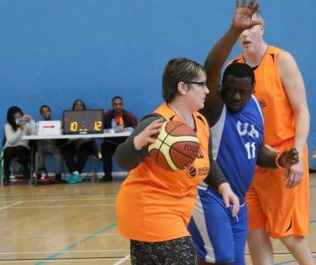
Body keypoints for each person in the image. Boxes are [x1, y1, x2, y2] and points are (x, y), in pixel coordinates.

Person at [187, 2, 298, 264]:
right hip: (209, 193)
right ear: (223, 87)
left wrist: (279, 160)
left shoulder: (256, 110)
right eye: (231, 90)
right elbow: (211, 67)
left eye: (243, 92)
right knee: (220, 258)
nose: (236, 97)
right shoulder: (215, 106)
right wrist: (233, 30)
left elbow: (256, 151)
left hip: (238, 199)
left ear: (252, 90)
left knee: (231, 260)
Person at [114, 57, 239, 264]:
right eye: (202, 85)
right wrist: (137, 142)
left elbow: (206, 162)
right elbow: (122, 160)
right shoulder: (157, 122)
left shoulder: (200, 121)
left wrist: (223, 185)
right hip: (150, 208)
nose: (208, 91)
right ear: (183, 87)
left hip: (176, 211)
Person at [230, 6, 314, 265]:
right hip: (249, 162)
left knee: (287, 234)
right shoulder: (234, 68)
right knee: (254, 232)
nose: (245, 34)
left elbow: (302, 112)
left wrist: (297, 155)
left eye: (251, 27)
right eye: (240, 29)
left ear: (262, 29)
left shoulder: (282, 60)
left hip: (283, 158)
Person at [100, 96, 137, 182]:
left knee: (134, 148)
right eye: (115, 104)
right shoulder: (106, 116)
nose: (118, 106)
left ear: (122, 105)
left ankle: (132, 174)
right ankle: (108, 175)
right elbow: (99, 130)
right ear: (112, 105)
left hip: (125, 142)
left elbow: (136, 131)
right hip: (110, 142)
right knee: (104, 147)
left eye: (120, 104)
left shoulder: (129, 116)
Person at [59, 99, 98, 184]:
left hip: (84, 143)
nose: (78, 107)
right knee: (64, 148)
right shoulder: (67, 118)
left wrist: (81, 139)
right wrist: (62, 125)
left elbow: (91, 136)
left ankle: (75, 174)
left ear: (84, 108)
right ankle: (76, 174)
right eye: (76, 105)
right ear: (73, 108)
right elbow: (62, 132)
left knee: (85, 149)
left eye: (81, 105)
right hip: (71, 143)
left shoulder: (89, 119)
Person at [2, 106, 35, 185]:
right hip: (10, 148)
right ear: (11, 118)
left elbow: (34, 134)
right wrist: (19, 129)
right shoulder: (7, 126)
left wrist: (31, 120)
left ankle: (26, 170)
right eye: (15, 117)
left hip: (23, 148)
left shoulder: (26, 124)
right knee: (7, 151)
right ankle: (6, 176)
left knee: (19, 148)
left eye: (19, 117)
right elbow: (10, 141)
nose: (18, 119)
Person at [35, 105, 64, 183]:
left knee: (59, 156)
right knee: (38, 155)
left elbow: (63, 127)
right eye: (43, 112)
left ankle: (58, 175)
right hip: (42, 146)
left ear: (50, 112)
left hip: (53, 146)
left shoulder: (57, 123)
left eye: (47, 110)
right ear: (41, 114)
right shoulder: (38, 124)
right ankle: (39, 174)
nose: (46, 113)